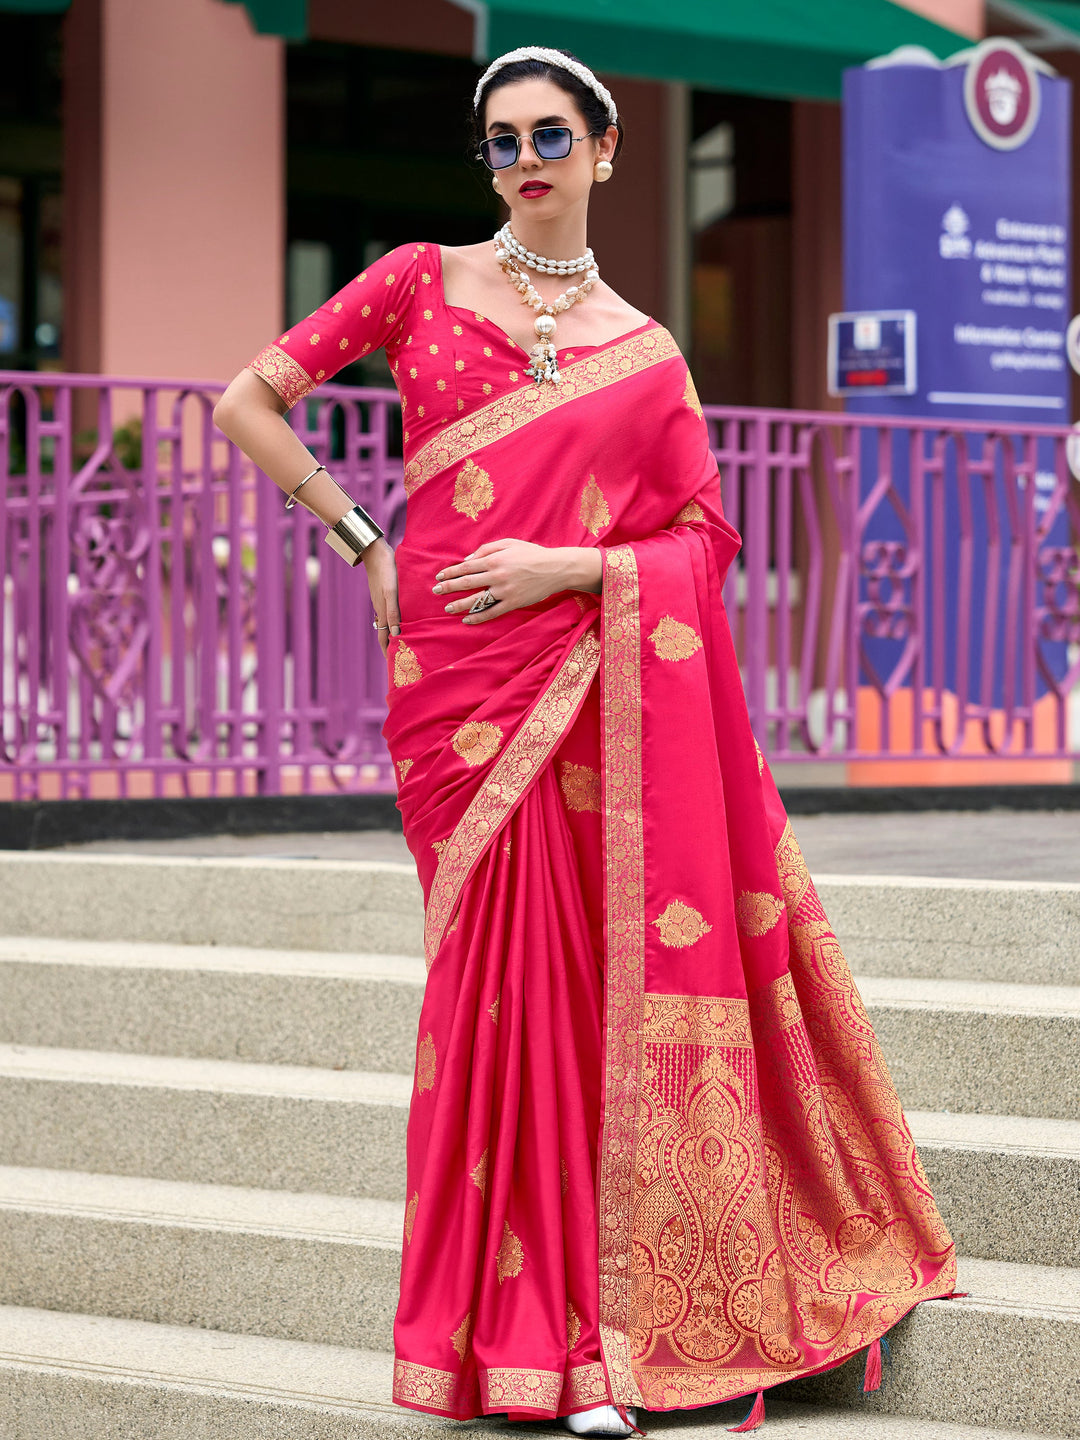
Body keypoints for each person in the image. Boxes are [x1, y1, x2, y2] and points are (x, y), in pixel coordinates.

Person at [213, 46, 956, 1438]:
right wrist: (361, 532)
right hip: (453, 688)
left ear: (608, 148)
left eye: (551, 135)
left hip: (585, 675)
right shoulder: (420, 279)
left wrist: (577, 572)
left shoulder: (646, 351)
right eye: (500, 143)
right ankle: (502, 1338)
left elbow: (699, 539)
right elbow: (248, 399)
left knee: (578, 992)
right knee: (487, 995)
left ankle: (589, 1346)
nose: (526, 161)